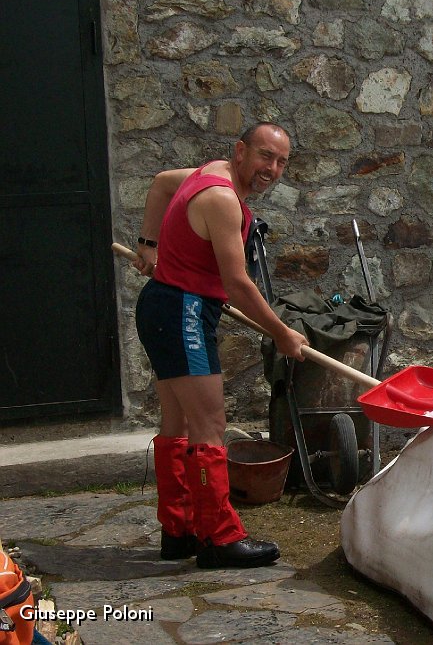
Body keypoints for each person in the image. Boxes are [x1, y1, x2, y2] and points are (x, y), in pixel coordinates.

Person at [132, 122, 309, 569]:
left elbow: (159, 184)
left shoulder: (210, 172)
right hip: (183, 311)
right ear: (240, 151)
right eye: (265, 156)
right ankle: (220, 538)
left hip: (164, 306)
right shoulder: (223, 199)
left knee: (178, 424)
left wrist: (148, 245)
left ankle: (179, 530)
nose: (272, 168)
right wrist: (281, 333)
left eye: (281, 161)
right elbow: (237, 282)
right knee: (210, 424)